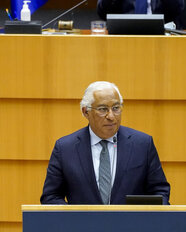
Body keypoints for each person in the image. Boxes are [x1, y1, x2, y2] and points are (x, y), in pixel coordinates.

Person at [41, 81, 170, 205]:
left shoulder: (142, 145)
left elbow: (160, 192)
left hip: (131, 226)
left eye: (116, 108)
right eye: (103, 109)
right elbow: (51, 197)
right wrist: (75, 219)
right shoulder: (65, 149)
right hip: (82, 227)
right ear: (86, 112)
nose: (111, 116)